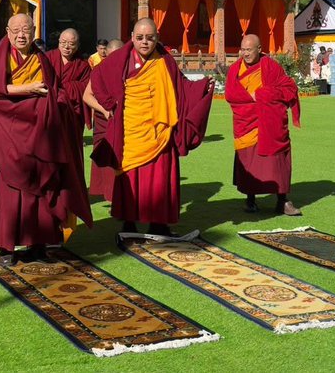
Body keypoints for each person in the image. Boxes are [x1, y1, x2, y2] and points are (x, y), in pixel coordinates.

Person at [85, 18, 213, 237]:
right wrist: (108, 107)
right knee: (130, 178)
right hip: (131, 129)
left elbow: (181, 88)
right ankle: (129, 223)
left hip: (160, 130)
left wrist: (202, 86)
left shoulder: (165, 61)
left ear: (157, 38)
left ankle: (159, 224)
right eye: (140, 38)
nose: (145, 42)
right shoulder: (119, 60)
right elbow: (97, 79)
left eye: (150, 38)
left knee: (160, 180)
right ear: (132, 37)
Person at [0, 13, 92, 266]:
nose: (21, 35)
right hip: (9, 135)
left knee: (42, 191)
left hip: (39, 136)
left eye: (26, 30)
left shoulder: (42, 59)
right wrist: (27, 89)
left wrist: (60, 103)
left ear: (34, 32)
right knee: (8, 192)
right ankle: (6, 248)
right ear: (7, 32)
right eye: (16, 30)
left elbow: (54, 92)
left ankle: (38, 245)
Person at [224, 35, 302, 216]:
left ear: (259, 49)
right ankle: (250, 200)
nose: (245, 54)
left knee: (277, 162)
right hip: (247, 123)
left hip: (270, 123)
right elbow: (231, 94)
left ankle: (282, 201)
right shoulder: (235, 69)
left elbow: (288, 88)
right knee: (249, 162)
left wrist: (263, 94)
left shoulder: (271, 67)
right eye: (242, 50)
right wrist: (251, 99)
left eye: (249, 50)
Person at [88, 38, 123, 200]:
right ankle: (111, 196)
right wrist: (105, 109)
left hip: (126, 122)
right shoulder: (99, 70)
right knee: (108, 161)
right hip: (105, 120)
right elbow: (86, 96)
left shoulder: (130, 70)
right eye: (110, 56)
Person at [47, 28, 91, 150]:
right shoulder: (48, 58)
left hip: (73, 111)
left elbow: (87, 88)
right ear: (58, 42)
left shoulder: (83, 65)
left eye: (71, 44)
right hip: (50, 108)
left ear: (77, 46)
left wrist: (65, 88)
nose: (66, 46)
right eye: (63, 42)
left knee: (70, 149)